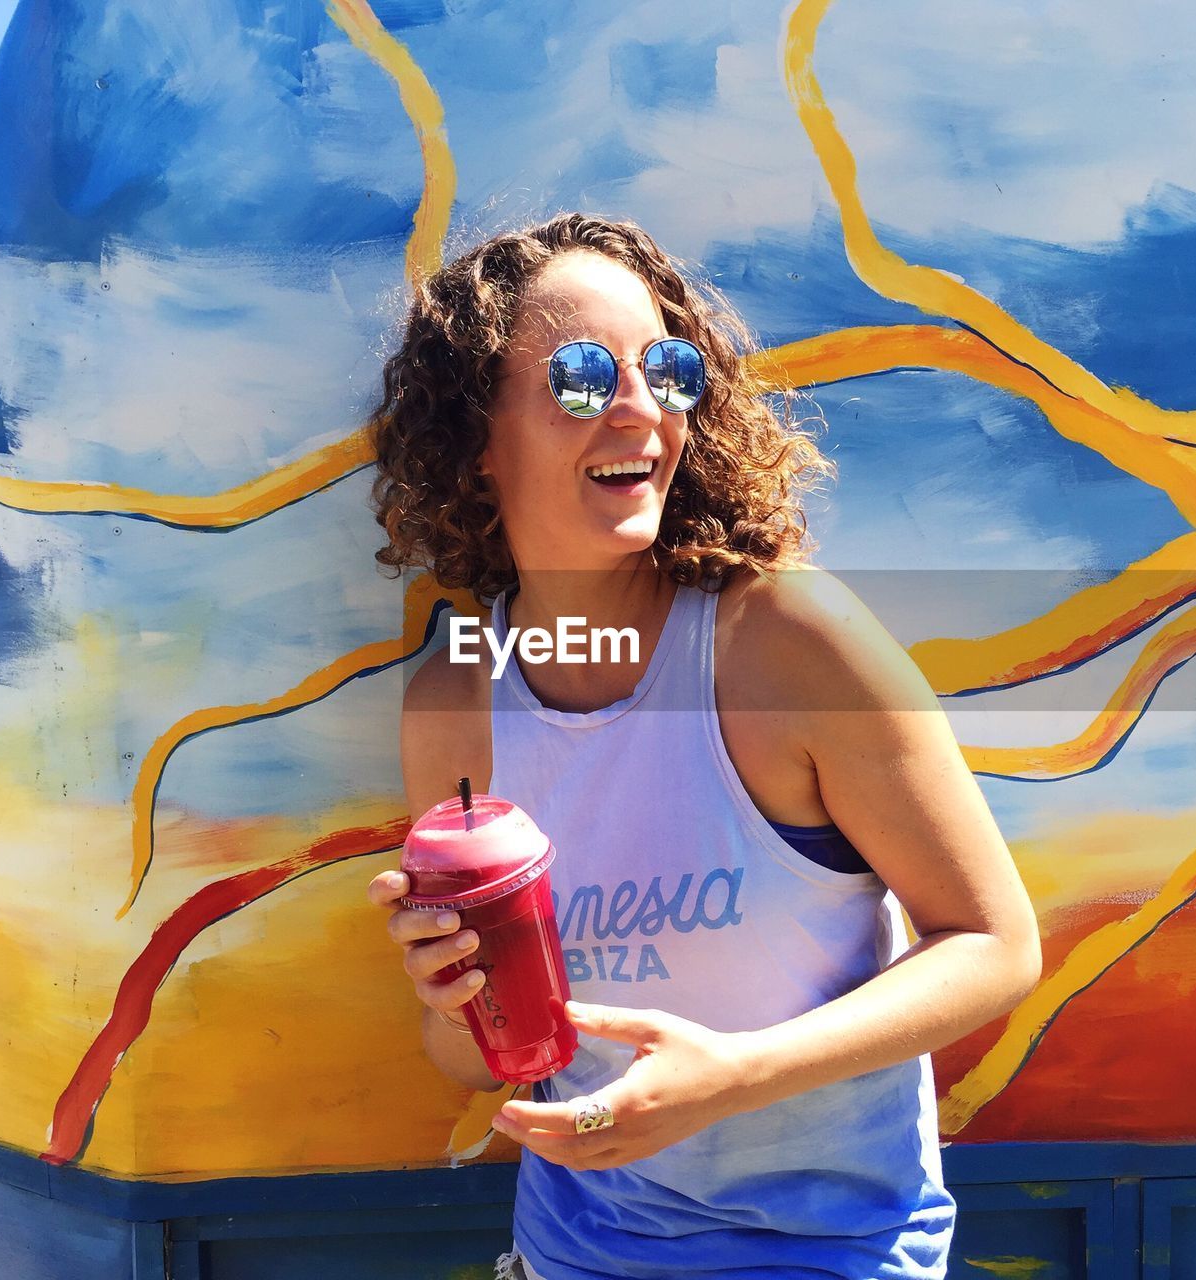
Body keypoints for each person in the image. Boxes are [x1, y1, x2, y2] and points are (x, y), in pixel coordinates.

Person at [366, 212, 1042, 1280]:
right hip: (574, 1251)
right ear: (475, 440)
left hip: (828, 1250)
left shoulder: (787, 644)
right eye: (582, 378)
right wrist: (454, 997)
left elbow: (995, 942)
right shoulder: (454, 704)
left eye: (667, 371)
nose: (639, 409)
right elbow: (477, 1056)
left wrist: (734, 1074)